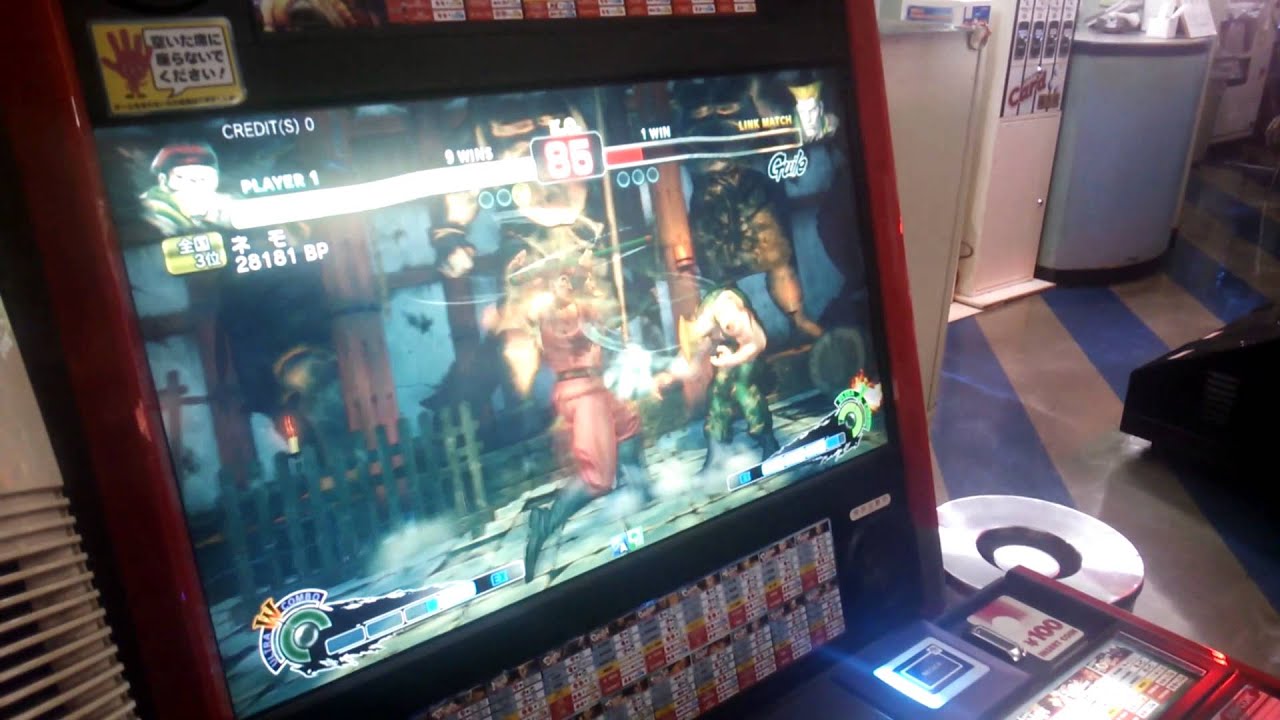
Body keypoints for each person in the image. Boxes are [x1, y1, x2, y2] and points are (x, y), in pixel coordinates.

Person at [496, 250, 654, 579]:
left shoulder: (582, 306)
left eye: (569, 278)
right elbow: (525, 302)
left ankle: (642, 492)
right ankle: (547, 521)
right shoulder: (547, 313)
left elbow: (610, 318)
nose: (568, 284)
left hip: (598, 385)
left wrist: (592, 274)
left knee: (628, 425)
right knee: (598, 476)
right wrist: (519, 276)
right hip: (580, 391)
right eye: (561, 279)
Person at [658, 286, 778, 476]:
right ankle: (717, 453)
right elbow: (691, 359)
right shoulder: (702, 324)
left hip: (748, 352)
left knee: (742, 388)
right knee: (717, 392)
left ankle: (768, 443)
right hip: (729, 350)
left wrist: (732, 360)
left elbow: (757, 343)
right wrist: (669, 376)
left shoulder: (729, 313)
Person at [140, 142, 232, 236]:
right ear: (163, 180)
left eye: (205, 178)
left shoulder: (224, 205)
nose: (197, 187)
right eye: (182, 177)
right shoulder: (150, 210)